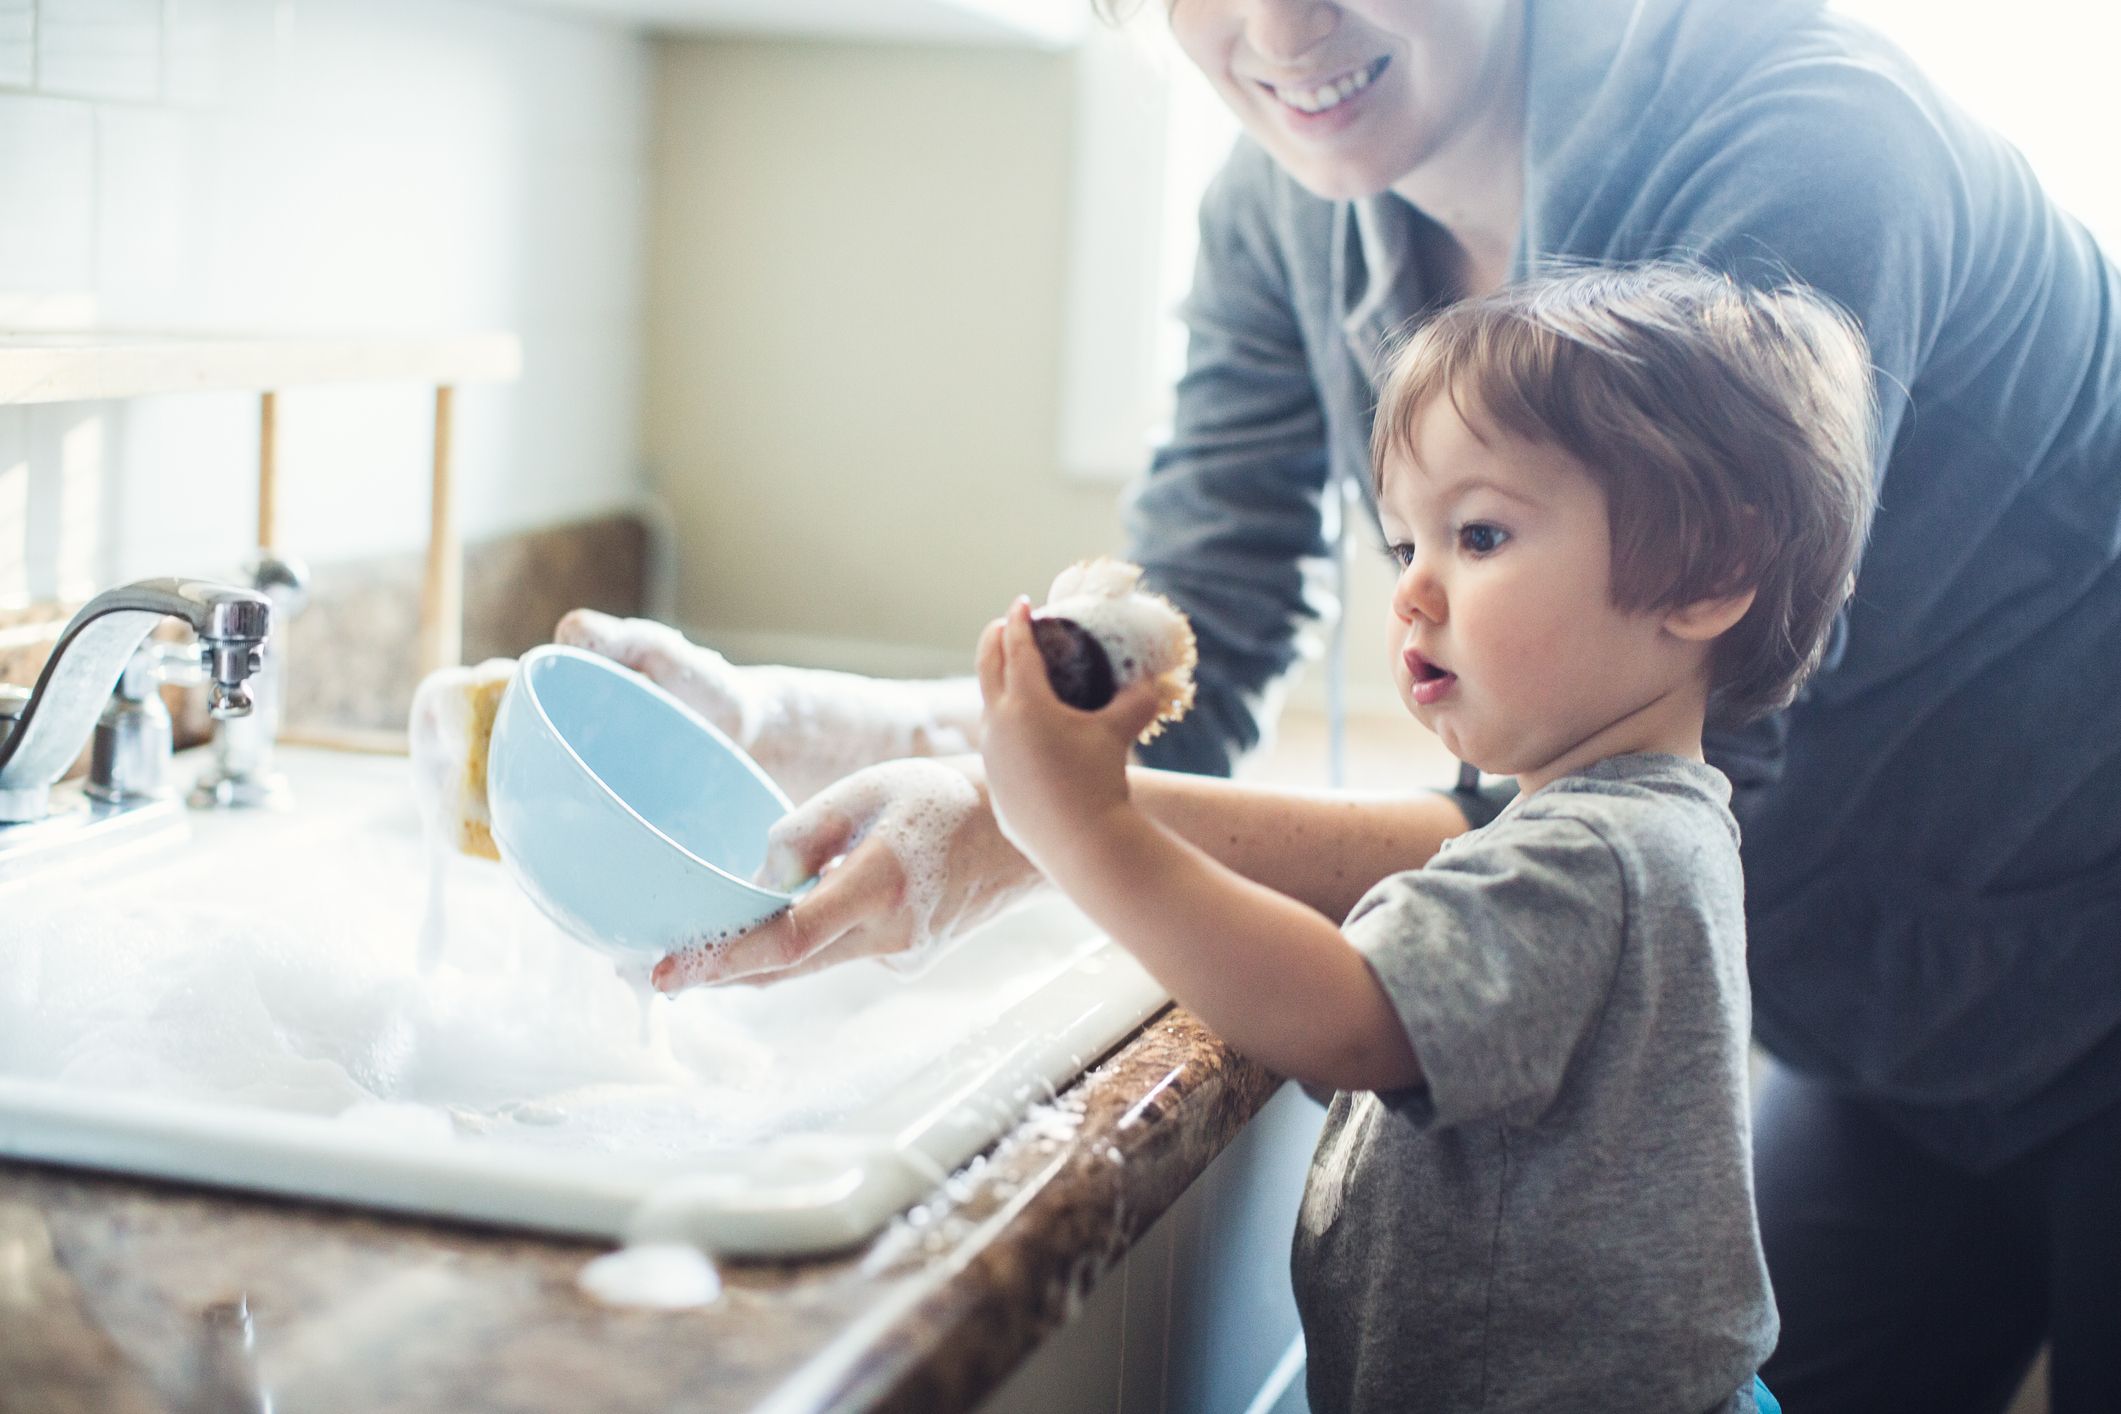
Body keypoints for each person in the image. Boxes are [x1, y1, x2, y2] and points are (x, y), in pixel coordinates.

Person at [561, 2, 2121, 1407]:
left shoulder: (1807, 149)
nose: (1281, 26)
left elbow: (1624, 797)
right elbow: (1180, 646)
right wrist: (777, 714)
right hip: (1876, 1041)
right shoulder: (1284, 202)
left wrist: (1047, 827)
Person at [979, 261, 1867, 1412]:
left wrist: (1085, 823)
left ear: (1706, 575)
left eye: (1481, 534)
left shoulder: (1592, 857)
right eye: (1406, 547)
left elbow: (1348, 1022)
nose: (1413, 591)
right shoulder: (1628, 823)